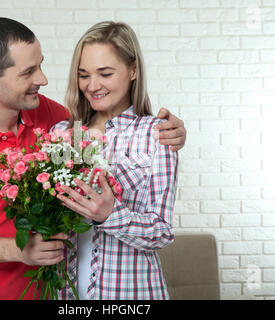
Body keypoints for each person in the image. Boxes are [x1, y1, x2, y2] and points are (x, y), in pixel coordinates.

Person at [0, 17, 186, 300]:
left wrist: (172, 133)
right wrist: (17, 249)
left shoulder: (54, 123)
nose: (43, 80)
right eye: (28, 72)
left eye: (41, 65)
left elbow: (106, 122)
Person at [53, 21, 179, 300]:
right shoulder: (61, 134)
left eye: (105, 73)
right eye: (83, 75)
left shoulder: (156, 134)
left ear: (133, 70)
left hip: (130, 293)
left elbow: (161, 232)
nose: (92, 85)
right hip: (67, 293)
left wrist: (110, 215)